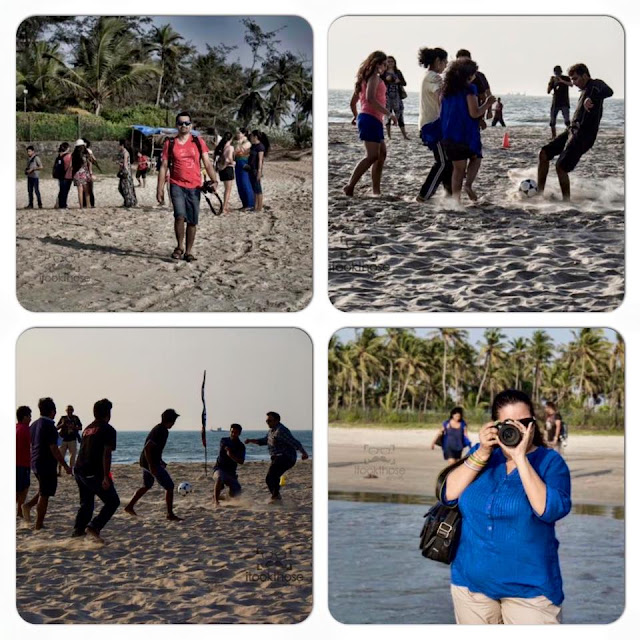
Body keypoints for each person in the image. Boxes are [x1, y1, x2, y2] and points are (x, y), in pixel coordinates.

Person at [443, 389, 571, 624]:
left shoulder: (551, 463)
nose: (519, 430)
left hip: (531, 591)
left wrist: (521, 458)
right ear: (495, 426)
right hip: (471, 586)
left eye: (525, 422)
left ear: (534, 423)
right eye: (509, 424)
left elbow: (549, 510)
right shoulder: (482, 456)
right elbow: (449, 494)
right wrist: (482, 451)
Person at [537, 63, 613, 201]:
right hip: (571, 130)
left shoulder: (595, 84)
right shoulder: (583, 90)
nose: (573, 82)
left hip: (584, 136)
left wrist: (592, 98)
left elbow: (609, 91)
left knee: (561, 166)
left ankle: (566, 201)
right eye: (572, 79)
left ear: (585, 75)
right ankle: (539, 194)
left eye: (576, 78)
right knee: (543, 154)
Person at [157, 112, 218, 262]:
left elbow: (207, 163)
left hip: (195, 186)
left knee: (192, 220)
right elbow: (164, 167)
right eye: (180, 123)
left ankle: (188, 251)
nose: (183, 126)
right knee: (179, 215)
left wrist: (214, 180)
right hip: (176, 184)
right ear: (176, 125)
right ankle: (179, 247)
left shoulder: (198, 142)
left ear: (191, 125)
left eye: (186, 123)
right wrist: (159, 188)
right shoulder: (169, 143)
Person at [440, 57, 496, 202]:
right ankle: (469, 185)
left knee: (457, 169)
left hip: (448, 134)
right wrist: (488, 103)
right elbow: (474, 112)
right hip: (465, 135)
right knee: (476, 158)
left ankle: (456, 200)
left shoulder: (445, 90)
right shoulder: (470, 89)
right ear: (468, 75)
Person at [343, 51, 397, 197]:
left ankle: (376, 191)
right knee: (372, 156)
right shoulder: (374, 78)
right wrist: (389, 114)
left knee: (382, 155)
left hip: (371, 119)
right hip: (370, 119)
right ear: (376, 64)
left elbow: (353, 103)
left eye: (387, 64)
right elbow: (370, 99)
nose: (385, 67)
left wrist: (357, 117)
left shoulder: (363, 80)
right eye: (384, 64)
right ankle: (350, 186)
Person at [72, 398, 119, 542]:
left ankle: (78, 532)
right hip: (92, 471)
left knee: (86, 504)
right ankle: (94, 526)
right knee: (113, 502)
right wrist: (106, 476)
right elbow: (107, 453)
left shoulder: (87, 428)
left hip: (79, 469)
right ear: (108, 413)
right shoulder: (108, 429)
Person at [124, 409, 182, 521]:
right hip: (149, 463)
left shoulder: (160, 429)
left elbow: (155, 449)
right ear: (171, 420)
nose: (174, 423)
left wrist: (160, 460)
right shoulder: (161, 430)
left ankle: (129, 506)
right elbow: (148, 448)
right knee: (169, 486)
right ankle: (170, 514)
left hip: (146, 461)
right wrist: (152, 465)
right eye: (174, 420)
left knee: (147, 485)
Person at [24, 397, 71, 530]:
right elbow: (54, 449)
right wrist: (65, 465)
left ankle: (28, 506)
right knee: (45, 494)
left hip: (35, 462)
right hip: (45, 463)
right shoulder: (49, 425)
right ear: (52, 412)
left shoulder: (34, 424)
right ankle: (38, 524)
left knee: (44, 489)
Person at [245, 411, 309, 501]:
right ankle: (276, 496)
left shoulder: (281, 431)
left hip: (285, 457)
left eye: (270, 421)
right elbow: (264, 441)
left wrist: (304, 453)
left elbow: (294, 442)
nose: (268, 423)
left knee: (270, 477)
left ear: (277, 420)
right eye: (267, 421)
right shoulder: (271, 430)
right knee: (273, 478)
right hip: (277, 458)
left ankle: (276, 497)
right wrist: (251, 440)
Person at [415, 46, 451, 201]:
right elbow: (440, 97)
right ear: (437, 61)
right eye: (445, 62)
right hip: (432, 125)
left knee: (447, 161)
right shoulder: (433, 77)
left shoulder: (428, 76)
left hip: (432, 124)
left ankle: (449, 195)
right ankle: (424, 195)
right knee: (443, 162)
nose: (446, 65)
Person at [456, 49, 492, 127]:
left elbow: (486, 96)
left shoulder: (477, 77)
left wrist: (484, 115)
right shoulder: (452, 78)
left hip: (473, 114)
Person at [212, 423, 246, 506]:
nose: (233, 434)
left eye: (236, 432)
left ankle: (221, 497)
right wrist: (230, 453)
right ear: (229, 432)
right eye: (232, 432)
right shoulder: (224, 440)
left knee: (235, 495)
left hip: (231, 473)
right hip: (219, 468)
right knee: (219, 478)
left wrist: (231, 455)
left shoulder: (241, 446)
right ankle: (216, 501)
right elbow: (225, 449)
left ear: (239, 433)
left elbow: (241, 461)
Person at [383, 56, 409, 140]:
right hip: (386, 96)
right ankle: (389, 136)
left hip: (397, 96)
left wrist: (399, 81)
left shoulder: (398, 72)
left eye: (392, 61)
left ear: (394, 63)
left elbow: (405, 83)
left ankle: (404, 135)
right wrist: (386, 80)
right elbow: (380, 83)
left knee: (400, 114)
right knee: (388, 115)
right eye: (388, 61)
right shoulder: (383, 72)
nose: (390, 63)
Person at [16, 405, 32, 519]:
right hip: (22, 463)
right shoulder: (26, 429)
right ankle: (19, 511)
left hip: (17, 462)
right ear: (24, 417)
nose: (30, 418)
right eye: (29, 416)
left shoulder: (15, 428)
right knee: (23, 489)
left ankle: (19, 511)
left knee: (18, 488)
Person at [56, 405, 82, 475]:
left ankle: (71, 470)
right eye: (68, 410)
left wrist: (73, 427)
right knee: (60, 455)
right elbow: (56, 428)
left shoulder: (75, 418)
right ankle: (59, 471)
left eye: (71, 410)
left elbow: (80, 427)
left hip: (72, 439)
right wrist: (62, 424)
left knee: (73, 455)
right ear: (66, 411)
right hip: (63, 439)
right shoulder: (63, 418)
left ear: (73, 410)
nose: (69, 411)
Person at [547, 65, 572, 139]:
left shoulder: (566, 78)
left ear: (561, 72)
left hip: (564, 102)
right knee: (552, 121)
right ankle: (553, 136)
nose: (557, 74)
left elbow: (571, 84)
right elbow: (548, 91)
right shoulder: (553, 79)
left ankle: (569, 134)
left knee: (567, 121)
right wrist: (551, 83)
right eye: (556, 72)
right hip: (555, 103)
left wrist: (562, 81)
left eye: (558, 72)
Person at [248, 130, 270, 212]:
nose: (250, 137)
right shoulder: (253, 146)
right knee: (254, 188)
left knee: (258, 189)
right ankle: (255, 206)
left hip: (256, 169)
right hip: (250, 169)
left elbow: (260, 160)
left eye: (251, 136)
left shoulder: (260, 147)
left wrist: (259, 171)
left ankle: (259, 207)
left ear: (255, 137)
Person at [214, 132, 236, 214]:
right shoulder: (230, 147)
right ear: (231, 139)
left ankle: (225, 206)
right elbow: (228, 158)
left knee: (226, 189)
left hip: (221, 169)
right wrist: (233, 162)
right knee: (228, 189)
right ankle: (224, 207)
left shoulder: (220, 147)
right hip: (228, 168)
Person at [233, 128, 255, 210]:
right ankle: (244, 204)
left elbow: (237, 150)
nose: (237, 134)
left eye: (239, 133)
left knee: (245, 183)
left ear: (244, 134)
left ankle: (250, 204)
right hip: (238, 163)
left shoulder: (247, 143)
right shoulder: (238, 142)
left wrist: (237, 146)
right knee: (239, 184)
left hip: (243, 162)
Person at [71, 140, 92, 209]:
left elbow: (72, 165)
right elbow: (89, 163)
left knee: (80, 191)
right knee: (86, 190)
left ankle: (81, 206)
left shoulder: (74, 155)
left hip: (77, 173)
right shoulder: (86, 154)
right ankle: (88, 204)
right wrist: (90, 172)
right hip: (84, 172)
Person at [117, 139, 137, 208]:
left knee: (125, 188)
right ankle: (127, 201)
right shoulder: (122, 152)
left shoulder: (125, 153)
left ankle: (129, 202)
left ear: (122, 145)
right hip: (124, 171)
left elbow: (125, 164)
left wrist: (121, 165)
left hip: (126, 172)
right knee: (122, 188)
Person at [53, 142, 73, 209]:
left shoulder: (59, 156)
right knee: (65, 191)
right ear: (67, 148)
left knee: (61, 190)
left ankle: (60, 204)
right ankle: (63, 205)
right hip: (67, 176)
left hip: (60, 176)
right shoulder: (69, 156)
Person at [83, 138, 98, 207]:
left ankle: (90, 203)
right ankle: (86, 203)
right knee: (85, 188)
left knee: (89, 188)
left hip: (88, 171)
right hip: (84, 172)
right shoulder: (81, 151)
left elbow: (93, 161)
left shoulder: (88, 151)